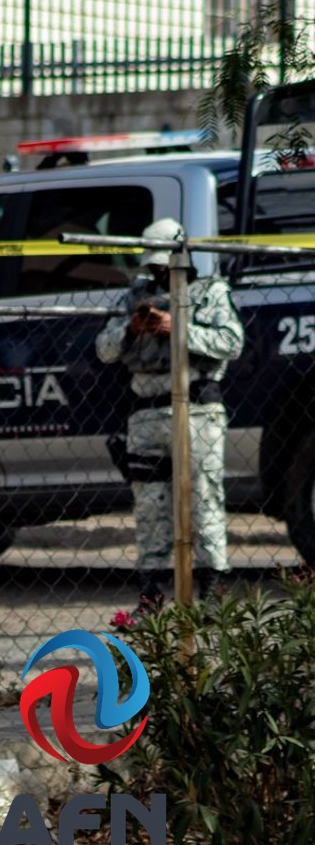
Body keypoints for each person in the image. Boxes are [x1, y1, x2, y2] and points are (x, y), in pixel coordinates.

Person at [95, 218, 243, 612]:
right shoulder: (135, 298)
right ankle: (152, 594)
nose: (158, 271)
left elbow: (231, 342)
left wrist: (178, 327)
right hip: (146, 413)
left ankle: (213, 592)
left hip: (196, 411)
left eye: (163, 263)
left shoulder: (210, 292)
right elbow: (104, 350)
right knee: (149, 506)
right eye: (153, 265)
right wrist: (132, 329)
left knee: (204, 499)